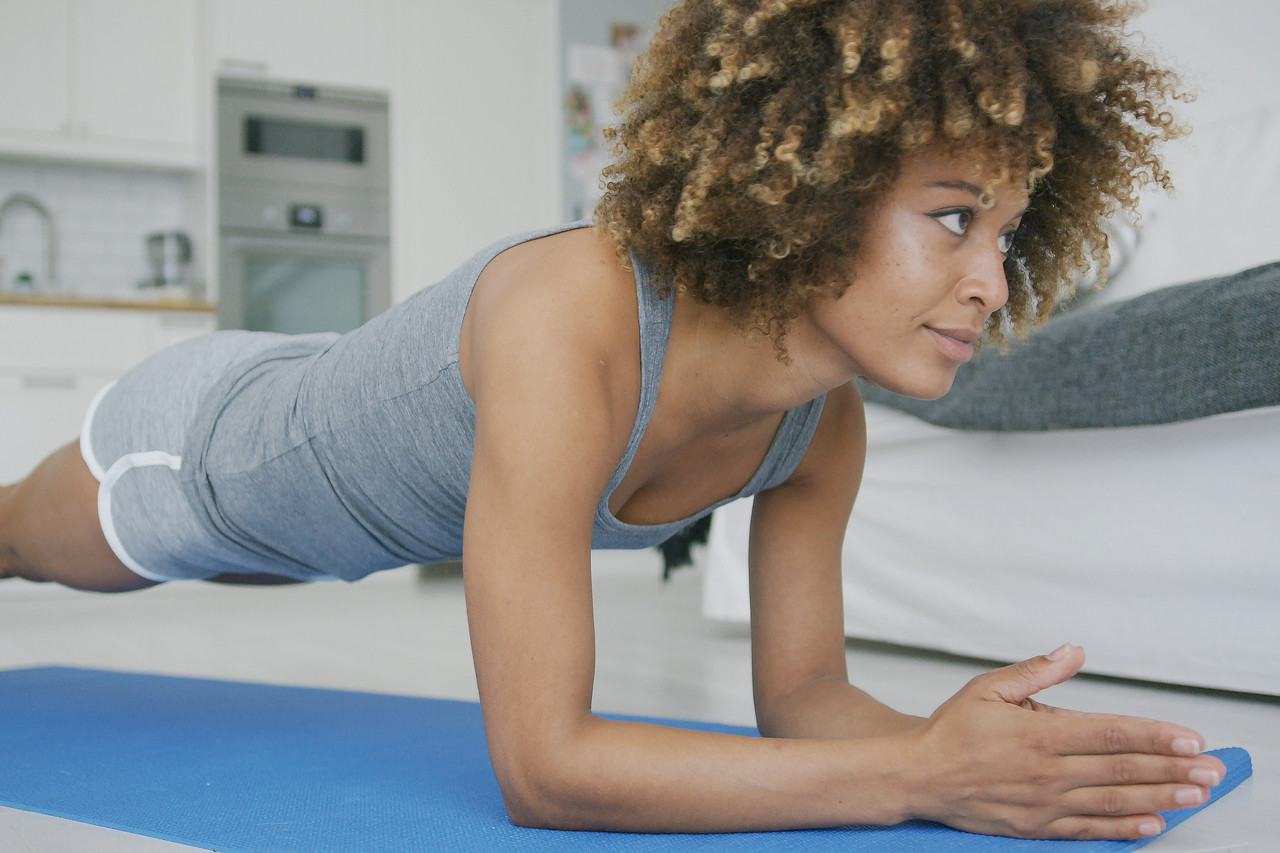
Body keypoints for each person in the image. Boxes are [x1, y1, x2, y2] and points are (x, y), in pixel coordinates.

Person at [0, 0, 1229, 840]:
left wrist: (965, 749)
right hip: (209, 454)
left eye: (1006, 233)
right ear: (807, 181)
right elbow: (545, 767)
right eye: (953, 217)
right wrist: (912, 778)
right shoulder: (568, 319)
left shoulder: (820, 422)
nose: (991, 282)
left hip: (334, 537)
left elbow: (802, 696)